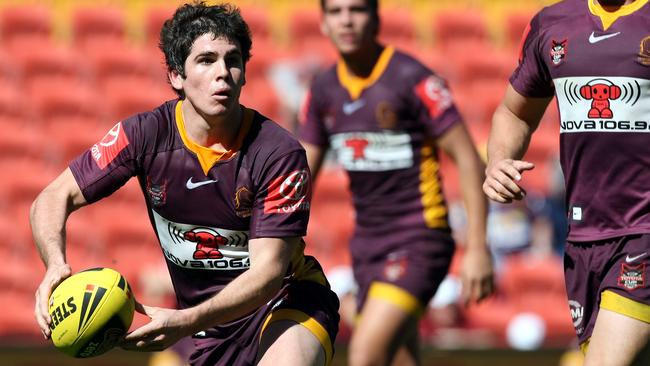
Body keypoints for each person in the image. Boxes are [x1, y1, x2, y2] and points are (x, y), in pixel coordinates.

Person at [30, 3, 339, 366]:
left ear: (244, 75)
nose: (222, 73)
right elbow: (53, 197)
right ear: (177, 75)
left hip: (286, 303)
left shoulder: (278, 152)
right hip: (208, 329)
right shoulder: (145, 135)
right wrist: (54, 264)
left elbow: (269, 274)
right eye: (206, 60)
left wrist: (186, 320)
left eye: (233, 60)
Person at [299, 0, 494, 364]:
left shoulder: (412, 79)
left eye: (356, 10)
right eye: (336, 12)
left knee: (365, 354)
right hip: (366, 245)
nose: (347, 21)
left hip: (419, 236)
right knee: (401, 357)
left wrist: (479, 247)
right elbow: (299, 177)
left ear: (376, 18)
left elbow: (468, 159)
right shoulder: (323, 91)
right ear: (323, 23)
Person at [482, 0, 650, 365]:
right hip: (583, 240)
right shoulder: (552, 23)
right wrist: (498, 162)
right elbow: (514, 112)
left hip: (643, 230)